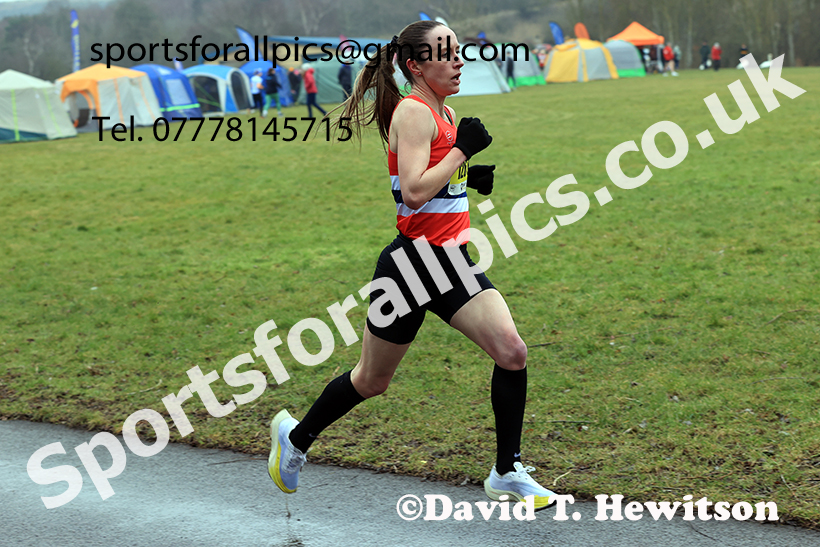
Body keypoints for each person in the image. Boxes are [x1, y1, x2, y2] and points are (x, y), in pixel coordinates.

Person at [267, 19, 558, 510]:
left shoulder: (443, 110)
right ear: (416, 65)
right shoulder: (415, 112)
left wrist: (469, 171)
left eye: (459, 51)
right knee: (371, 381)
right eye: (447, 54)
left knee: (512, 350)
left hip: (449, 262)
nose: (459, 61)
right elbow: (416, 192)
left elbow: (431, 177)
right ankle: (295, 439)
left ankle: (507, 470)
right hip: (411, 267)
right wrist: (464, 149)